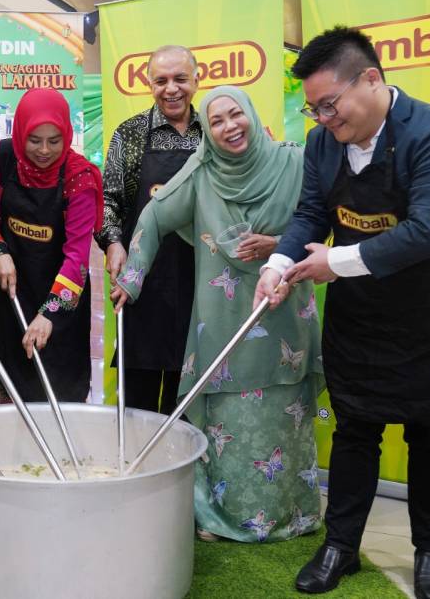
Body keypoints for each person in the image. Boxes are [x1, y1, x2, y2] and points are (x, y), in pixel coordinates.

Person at [254, 27, 430, 598]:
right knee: (356, 429)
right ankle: (341, 545)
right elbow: (312, 212)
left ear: (371, 79)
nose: (324, 120)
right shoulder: (323, 144)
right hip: (363, 316)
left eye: (330, 105)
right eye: (314, 110)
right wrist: (280, 262)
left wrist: (336, 262)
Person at [112, 86, 324, 544]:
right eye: (218, 121)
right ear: (207, 130)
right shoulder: (202, 172)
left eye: (235, 115)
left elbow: (323, 219)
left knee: (283, 413)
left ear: (250, 113)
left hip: (284, 311)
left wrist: (279, 246)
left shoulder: (295, 162)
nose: (229, 127)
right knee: (227, 416)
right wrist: (131, 279)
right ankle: (223, 516)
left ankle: (292, 514)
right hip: (224, 318)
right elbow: (152, 216)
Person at [0, 88, 103, 402]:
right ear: (20, 133)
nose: (44, 150)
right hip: (14, 293)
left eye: (54, 141)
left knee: (59, 395)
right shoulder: (5, 158)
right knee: (14, 390)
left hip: (61, 300)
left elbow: (77, 257)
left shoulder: (79, 178)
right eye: (34, 140)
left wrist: (49, 315)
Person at [97, 45, 200, 415]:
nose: (171, 89)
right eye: (161, 81)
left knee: (187, 401)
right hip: (141, 281)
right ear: (149, 84)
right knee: (137, 405)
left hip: (198, 283)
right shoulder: (132, 134)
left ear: (196, 80)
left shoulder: (211, 135)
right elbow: (107, 201)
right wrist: (112, 244)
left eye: (180, 79)